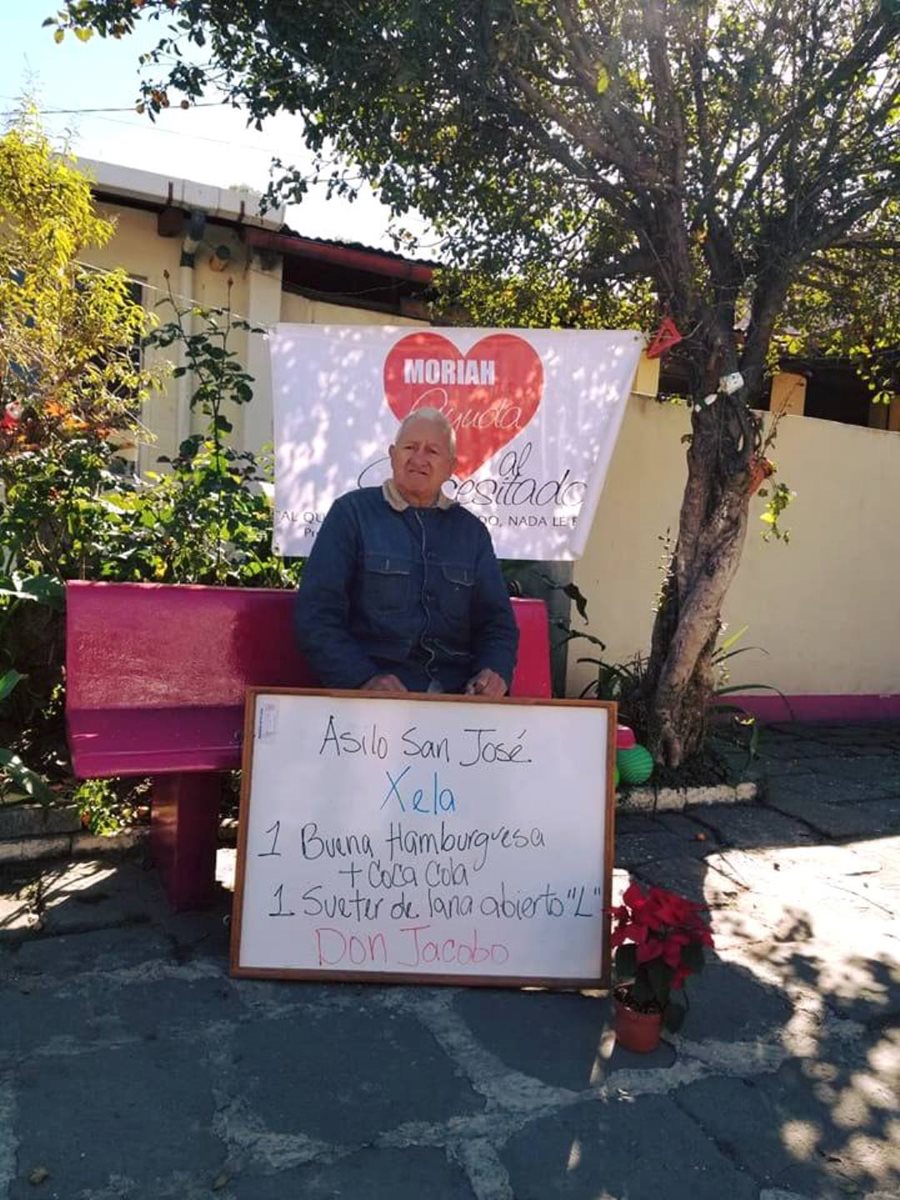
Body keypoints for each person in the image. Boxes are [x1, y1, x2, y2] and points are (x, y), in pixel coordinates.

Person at [294, 408, 519, 696]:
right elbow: (317, 615)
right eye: (410, 447)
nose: (419, 459)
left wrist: (494, 671)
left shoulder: (471, 532)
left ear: (451, 466)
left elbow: (497, 624)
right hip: (371, 700)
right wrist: (362, 678)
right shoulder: (351, 514)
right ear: (392, 455)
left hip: (458, 698)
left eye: (432, 451)